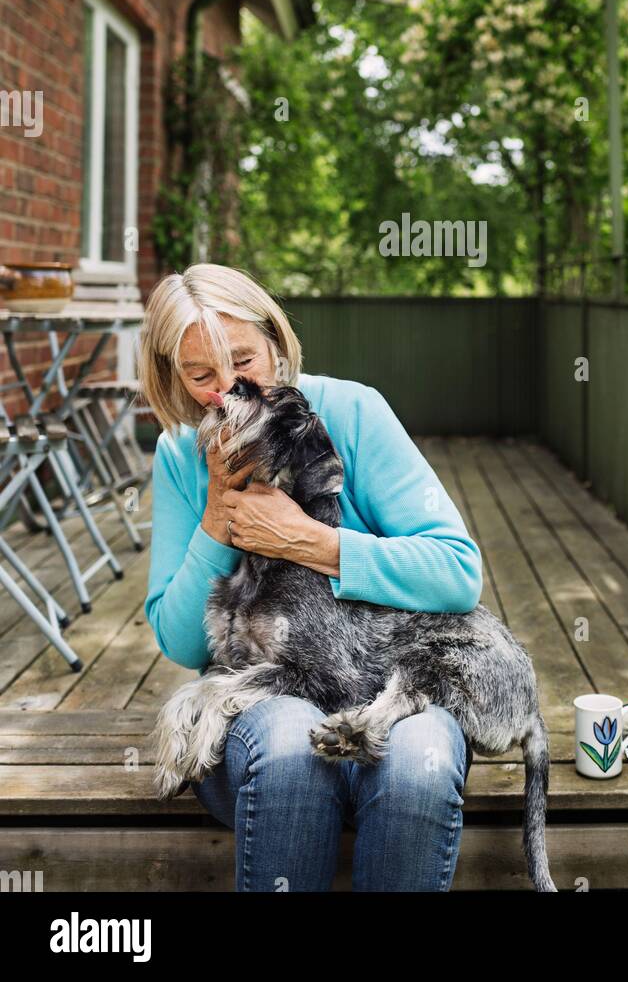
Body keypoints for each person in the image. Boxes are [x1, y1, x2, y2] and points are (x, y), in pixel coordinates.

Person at [138, 263, 482, 892]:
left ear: (276, 340)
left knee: (420, 763)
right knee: (292, 751)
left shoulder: (351, 412)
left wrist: (313, 542)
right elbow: (183, 643)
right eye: (200, 376)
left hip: (388, 690)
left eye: (244, 361)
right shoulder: (178, 453)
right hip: (259, 707)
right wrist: (217, 517)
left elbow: (457, 573)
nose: (227, 390)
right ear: (174, 379)